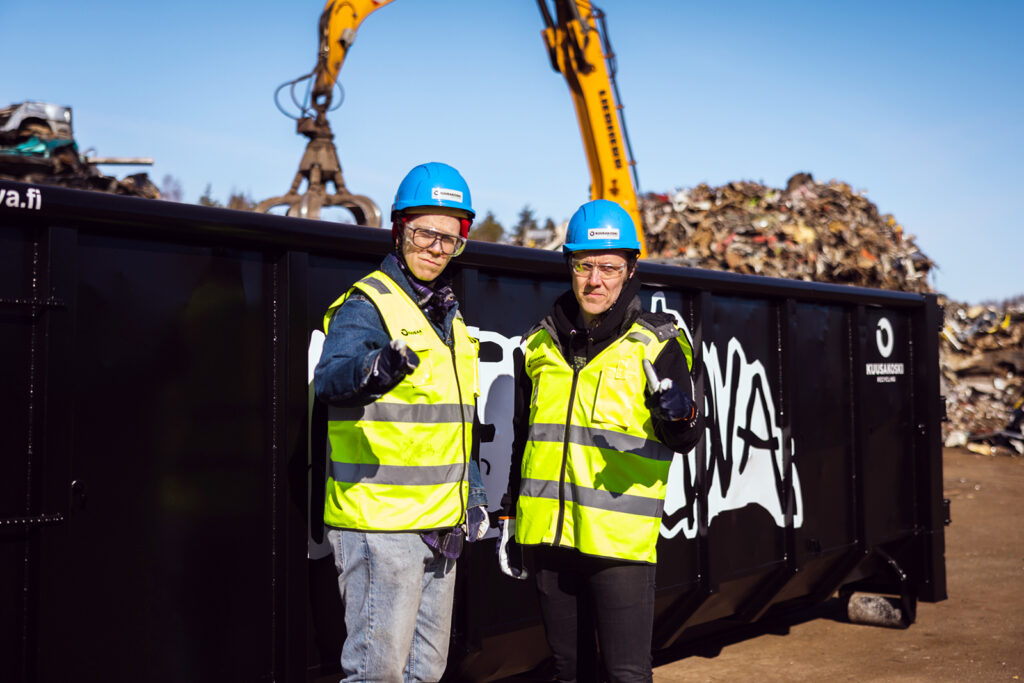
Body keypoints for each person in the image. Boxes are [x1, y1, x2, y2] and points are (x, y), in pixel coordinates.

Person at [498, 199, 704, 682]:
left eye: (609, 268)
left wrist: (680, 413)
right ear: (569, 266)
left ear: (630, 270)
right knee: (568, 670)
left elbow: (686, 437)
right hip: (548, 537)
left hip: (618, 543)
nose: (595, 280)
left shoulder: (658, 343)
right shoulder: (538, 345)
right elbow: (524, 436)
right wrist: (510, 515)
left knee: (624, 673)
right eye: (583, 266)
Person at [314, 161, 489, 683]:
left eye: (448, 238)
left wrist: (473, 497)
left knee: (426, 672)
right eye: (423, 233)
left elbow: (457, 422)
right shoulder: (368, 305)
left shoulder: (448, 315)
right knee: (378, 674)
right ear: (399, 230)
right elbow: (331, 379)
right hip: (381, 526)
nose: (435, 247)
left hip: (441, 525)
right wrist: (376, 369)